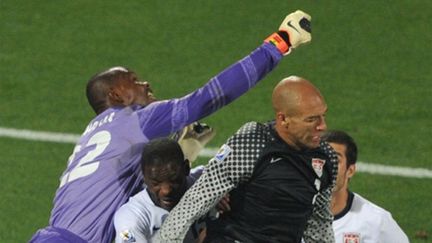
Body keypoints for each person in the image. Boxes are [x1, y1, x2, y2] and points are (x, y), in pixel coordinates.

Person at [29, 10, 312, 243]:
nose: (145, 84)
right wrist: (278, 44)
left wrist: (184, 153)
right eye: (134, 80)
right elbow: (209, 97)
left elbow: (135, 186)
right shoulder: (133, 119)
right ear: (115, 96)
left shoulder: (96, 132)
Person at [157, 75, 339, 243]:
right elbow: (196, 201)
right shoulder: (253, 143)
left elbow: (319, 222)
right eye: (311, 120)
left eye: (323, 115)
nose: (323, 126)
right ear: (283, 119)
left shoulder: (326, 157)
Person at [321, 130, 409, 243]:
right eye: (322, 158)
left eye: (335, 160)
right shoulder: (293, 216)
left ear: (350, 171)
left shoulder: (376, 222)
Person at [114, 138, 206, 243]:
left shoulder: (207, 181)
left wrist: (221, 194)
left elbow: (225, 167)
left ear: (186, 168)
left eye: (173, 180)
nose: (166, 191)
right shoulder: (130, 218)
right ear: (143, 176)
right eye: (156, 183)